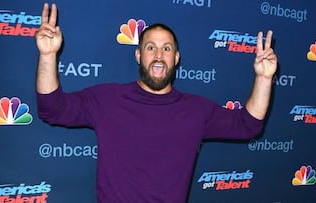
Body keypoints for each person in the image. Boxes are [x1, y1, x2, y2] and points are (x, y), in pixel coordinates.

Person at [35, 3, 277, 203]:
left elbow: (248, 125)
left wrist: (264, 78)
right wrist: (47, 55)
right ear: (139, 55)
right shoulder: (106, 100)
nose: (159, 55)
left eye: (166, 48)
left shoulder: (197, 110)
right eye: (151, 47)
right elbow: (52, 109)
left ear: (176, 58)